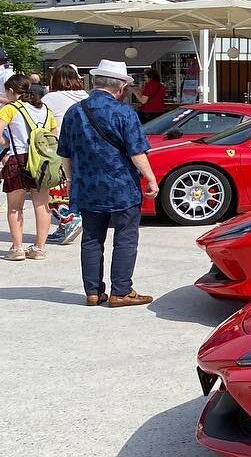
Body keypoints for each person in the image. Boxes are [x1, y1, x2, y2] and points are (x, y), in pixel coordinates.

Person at [56, 61, 159, 306]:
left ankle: (93, 292)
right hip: (121, 185)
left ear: (95, 82)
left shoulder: (75, 111)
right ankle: (121, 291)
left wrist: (70, 180)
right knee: (125, 236)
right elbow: (137, 152)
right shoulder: (124, 112)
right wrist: (151, 179)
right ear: (121, 87)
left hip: (88, 185)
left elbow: (65, 153)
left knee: (92, 237)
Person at [3, 79, 58, 261]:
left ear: (11, 90)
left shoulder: (11, 108)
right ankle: (39, 248)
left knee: (14, 207)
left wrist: (6, 143)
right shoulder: (46, 110)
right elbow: (54, 136)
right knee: (42, 205)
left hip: (17, 159)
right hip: (42, 162)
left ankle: (17, 248)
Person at [42, 65, 87, 247]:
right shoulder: (85, 96)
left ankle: (69, 219)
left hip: (58, 150)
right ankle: (66, 224)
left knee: (55, 192)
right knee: (75, 188)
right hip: (84, 149)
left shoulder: (50, 99)